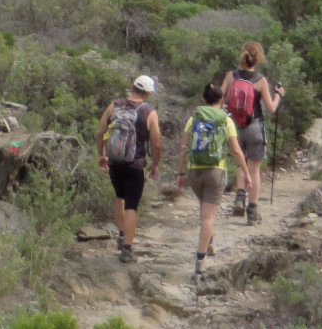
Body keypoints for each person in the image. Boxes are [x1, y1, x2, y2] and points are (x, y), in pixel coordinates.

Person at [175, 82, 250, 275]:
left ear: (204, 99)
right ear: (221, 100)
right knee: (208, 216)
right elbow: (236, 150)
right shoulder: (226, 120)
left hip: (194, 170)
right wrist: (246, 173)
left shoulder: (194, 118)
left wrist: (179, 173)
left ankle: (209, 242)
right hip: (215, 171)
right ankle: (201, 259)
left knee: (204, 209)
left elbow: (183, 148)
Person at [97, 75, 162, 264]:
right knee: (132, 204)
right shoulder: (149, 112)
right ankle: (127, 249)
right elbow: (156, 143)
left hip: (115, 161)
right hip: (135, 164)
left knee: (119, 196)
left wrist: (101, 154)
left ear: (132, 87)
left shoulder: (114, 105)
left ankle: (121, 234)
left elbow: (100, 132)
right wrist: (155, 164)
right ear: (148, 93)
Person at [219, 41, 284, 224]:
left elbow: (219, 97)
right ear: (258, 58)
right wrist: (279, 95)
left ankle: (240, 198)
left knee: (241, 163)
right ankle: (252, 212)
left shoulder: (231, 76)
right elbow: (271, 108)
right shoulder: (260, 80)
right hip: (255, 127)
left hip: (234, 127)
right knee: (254, 169)